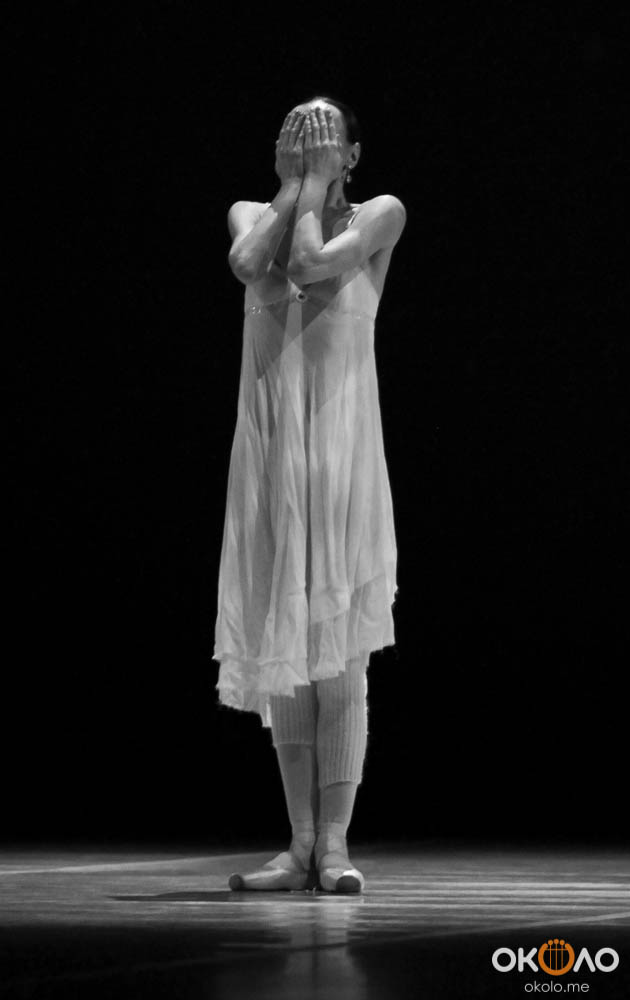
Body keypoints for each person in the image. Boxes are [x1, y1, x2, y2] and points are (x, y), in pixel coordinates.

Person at [213, 95, 406, 893]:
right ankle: (297, 844)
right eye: (294, 131)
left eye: (321, 134)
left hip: (338, 453)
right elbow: (250, 264)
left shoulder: (380, 213)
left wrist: (319, 185)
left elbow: (309, 265)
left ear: (350, 154)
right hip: (271, 456)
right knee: (282, 656)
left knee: (338, 660)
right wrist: (295, 187)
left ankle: (334, 845)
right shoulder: (250, 213)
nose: (305, 141)